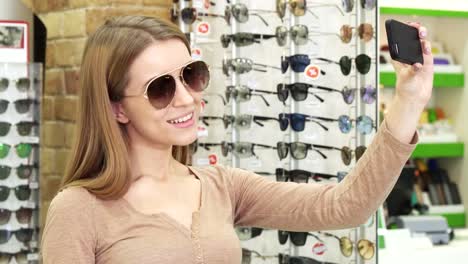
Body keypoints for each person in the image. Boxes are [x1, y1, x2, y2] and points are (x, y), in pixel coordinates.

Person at [41, 16, 433, 263]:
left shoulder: (221, 187)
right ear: (117, 109)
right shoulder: (79, 210)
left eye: (191, 75)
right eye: (160, 88)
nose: (187, 97)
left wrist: (409, 100)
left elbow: (344, 206)